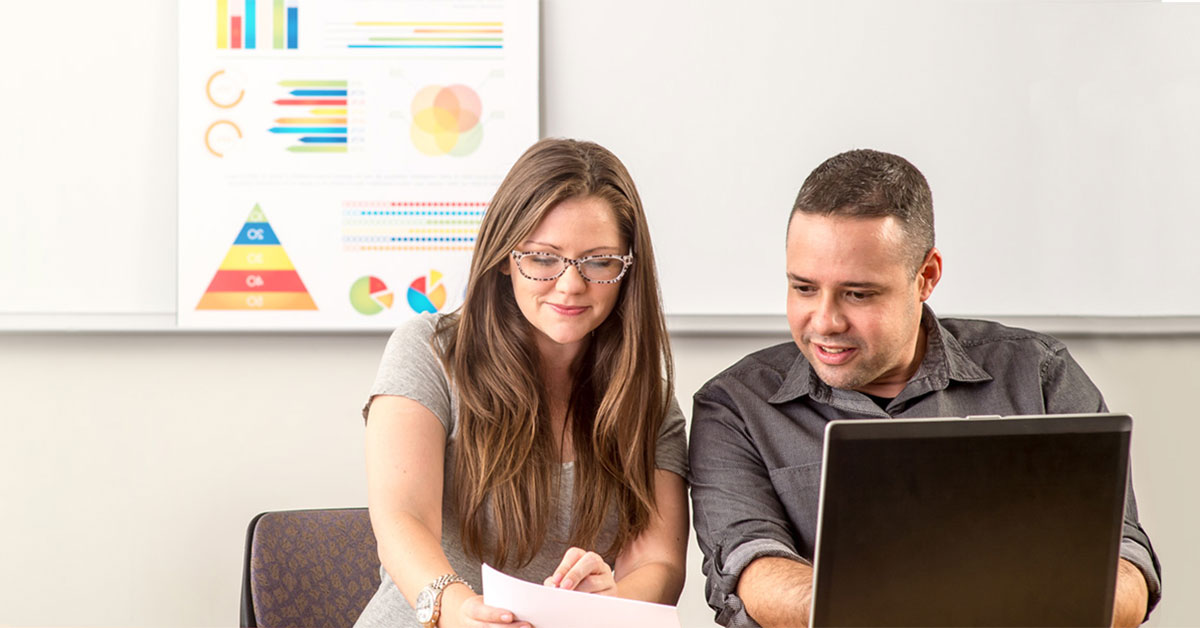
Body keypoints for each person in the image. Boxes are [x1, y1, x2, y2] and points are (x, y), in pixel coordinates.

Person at [688, 149, 1162, 628]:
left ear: (926, 277)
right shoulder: (736, 405)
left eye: (858, 293)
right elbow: (751, 567)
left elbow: (1125, 569)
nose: (825, 322)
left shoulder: (1039, 375)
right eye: (804, 288)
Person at [355, 138, 689, 628]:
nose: (571, 285)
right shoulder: (427, 350)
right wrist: (459, 612)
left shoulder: (648, 398)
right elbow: (402, 519)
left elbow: (660, 563)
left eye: (599, 262)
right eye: (543, 258)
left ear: (627, 270)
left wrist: (609, 600)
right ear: (505, 256)